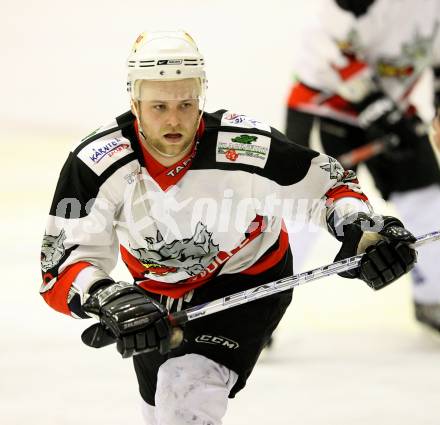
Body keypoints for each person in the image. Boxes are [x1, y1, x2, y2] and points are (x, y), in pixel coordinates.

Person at [40, 30, 417, 425]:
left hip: (248, 283)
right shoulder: (97, 163)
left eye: (186, 103)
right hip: (156, 295)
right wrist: (106, 295)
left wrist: (364, 231)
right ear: (134, 103)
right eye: (159, 106)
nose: (174, 119)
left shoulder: (243, 145)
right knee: (160, 412)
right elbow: (61, 262)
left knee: (184, 388)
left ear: (201, 96)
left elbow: (330, 186)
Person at [285, 0, 440, 332]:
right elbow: (326, 50)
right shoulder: (347, 11)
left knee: (428, 198)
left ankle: (434, 297)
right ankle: (260, 307)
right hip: (329, 108)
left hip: (394, 109)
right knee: (302, 208)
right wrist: (377, 107)